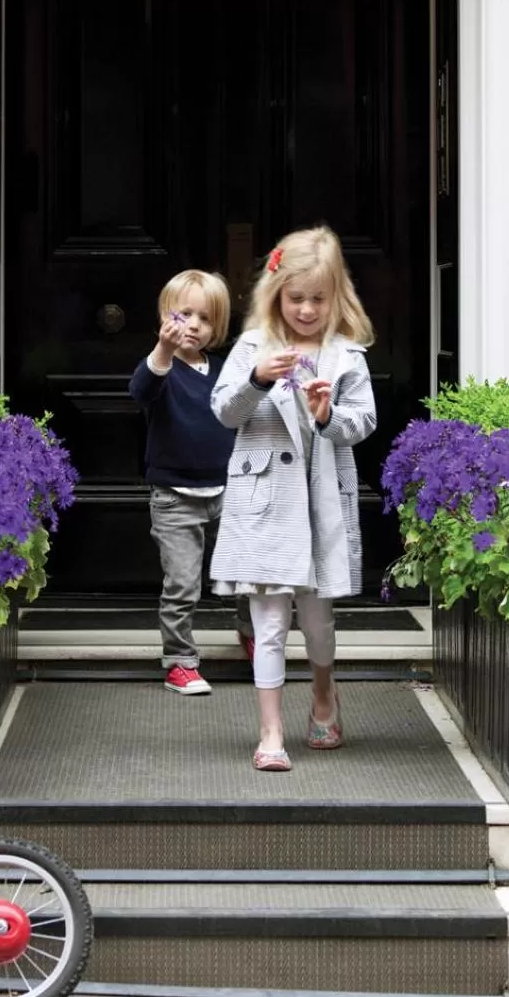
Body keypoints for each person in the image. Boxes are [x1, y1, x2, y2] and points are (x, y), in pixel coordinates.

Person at [210, 227, 376, 770]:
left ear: (337, 297)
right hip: (266, 504)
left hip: (320, 502)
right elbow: (224, 413)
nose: (306, 310)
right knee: (269, 625)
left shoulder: (345, 355)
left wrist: (329, 415)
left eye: (318, 299)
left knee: (318, 621)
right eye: (296, 298)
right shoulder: (252, 349)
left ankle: (324, 693)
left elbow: (365, 421)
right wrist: (256, 380)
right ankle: (271, 732)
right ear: (276, 294)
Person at [129, 269, 255, 694]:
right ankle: (180, 661)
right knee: (182, 583)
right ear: (166, 317)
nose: (195, 325)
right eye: (185, 315)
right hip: (175, 497)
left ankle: (253, 635)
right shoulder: (161, 368)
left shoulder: (223, 370)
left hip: (228, 490)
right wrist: (162, 350)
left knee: (246, 573)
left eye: (206, 318)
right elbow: (141, 390)